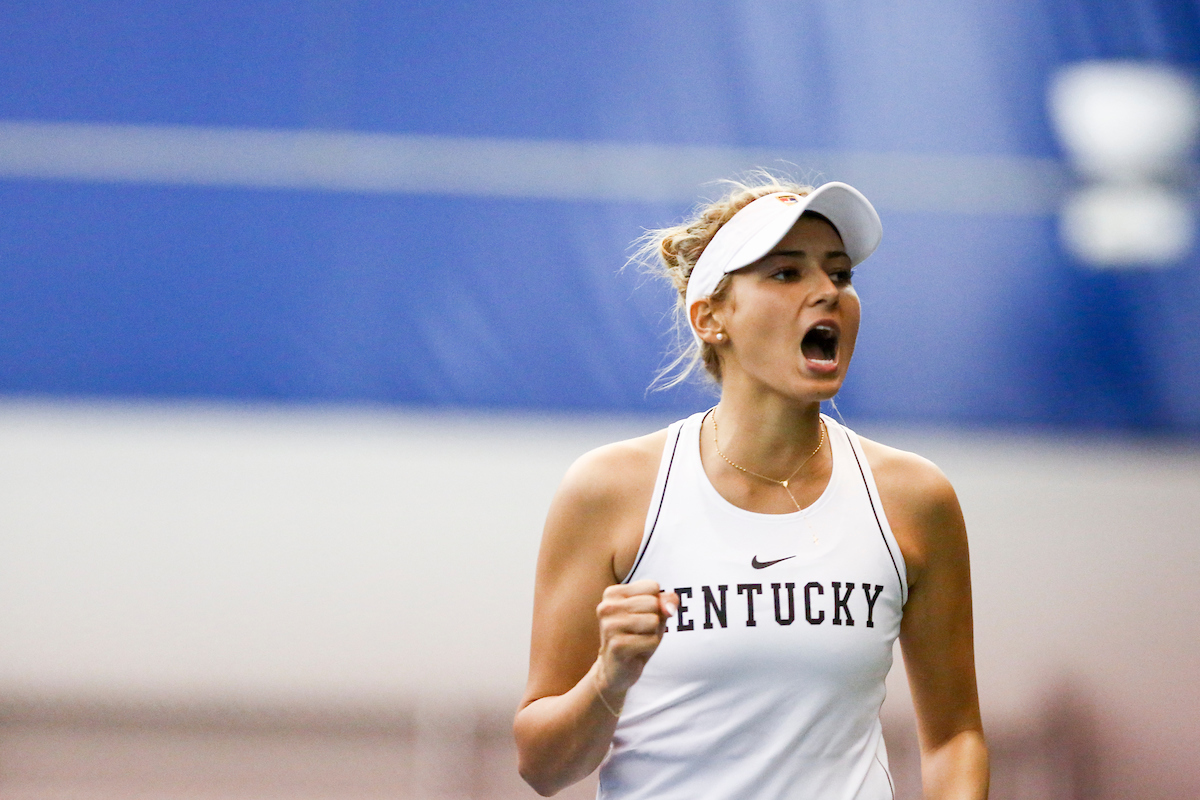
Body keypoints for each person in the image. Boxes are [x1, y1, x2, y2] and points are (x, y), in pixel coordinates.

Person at [513, 175, 988, 799]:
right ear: (711, 317)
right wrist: (609, 678)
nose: (828, 293)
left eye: (840, 274)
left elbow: (956, 739)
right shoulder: (610, 490)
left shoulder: (915, 498)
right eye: (787, 274)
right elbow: (541, 768)